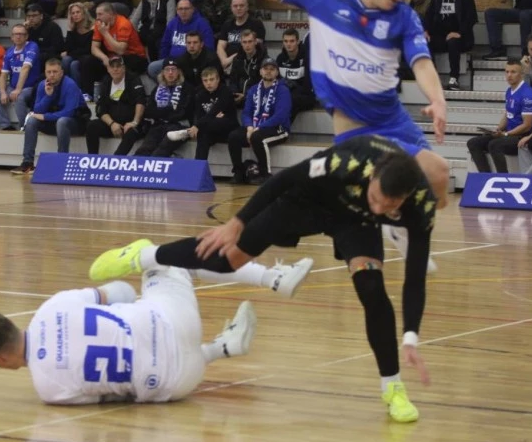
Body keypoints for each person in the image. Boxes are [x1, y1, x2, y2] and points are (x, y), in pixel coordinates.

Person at [89, 135, 436, 423]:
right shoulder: (346, 162)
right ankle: (144, 255)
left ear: (404, 198)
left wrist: (411, 336)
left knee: (372, 289)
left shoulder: (421, 205)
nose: (379, 208)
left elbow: (415, 275)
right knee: (228, 258)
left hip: (354, 223)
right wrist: (237, 222)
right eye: (375, 197)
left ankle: (393, 388)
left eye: (386, 206)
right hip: (308, 199)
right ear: (372, 176)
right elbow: (283, 180)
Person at [253, 0, 450, 209]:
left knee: (438, 181)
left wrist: (437, 100)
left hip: (394, 119)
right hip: (356, 130)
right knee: (416, 179)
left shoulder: (404, 17)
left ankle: (402, 223)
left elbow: (422, 64)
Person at [0, 268, 261, 405]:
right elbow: (124, 292)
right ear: (11, 324)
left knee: (138, 373)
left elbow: (116, 397)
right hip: (174, 319)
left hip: (178, 383)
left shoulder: (49, 391)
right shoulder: (51, 307)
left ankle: (220, 348)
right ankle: (268, 277)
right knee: (164, 260)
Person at [11, 58, 91, 174]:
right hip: (55, 122)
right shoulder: (42, 85)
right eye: (49, 72)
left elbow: (69, 112)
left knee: (62, 121)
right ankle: (27, 163)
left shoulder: (70, 85)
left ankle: (62, 161)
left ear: (61, 72)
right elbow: (37, 110)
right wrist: (48, 96)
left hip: (76, 123)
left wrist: (45, 117)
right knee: (32, 121)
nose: (52, 75)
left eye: (55, 72)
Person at [227, 57, 291, 184]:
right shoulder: (253, 90)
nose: (268, 72)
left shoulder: (283, 90)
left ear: (277, 72)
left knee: (257, 137)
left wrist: (259, 128)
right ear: (260, 71)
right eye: (265, 69)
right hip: (255, 127)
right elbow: (246, 112)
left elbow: (281, 115)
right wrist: (249, 127)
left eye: (272, 69)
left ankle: (265, 174)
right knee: (233, 136)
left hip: (278, 128)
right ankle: (239, 172)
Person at [467, 58, 532, 173]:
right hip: (508, 134)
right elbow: (507, 114)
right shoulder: (509, 90)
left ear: (521, 74)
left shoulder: (527, 94)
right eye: (507, 72)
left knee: (494, 145)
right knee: (473, 143)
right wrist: (499, 129)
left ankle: (502, 178)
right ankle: (485, 177)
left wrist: (505, 134)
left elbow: (527, 125)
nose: (509, 75)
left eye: (513, 72)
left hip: (523, 137)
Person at [85, 56, 146, 156]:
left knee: (132, 132)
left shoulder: (133, 79)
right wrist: (112, 123)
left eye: (118, 66)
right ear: (108, 69)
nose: (115, 69)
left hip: (130, 124)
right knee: (92, 126)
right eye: (112, 66)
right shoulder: (106, 81)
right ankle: (92, 158)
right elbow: (101, 109)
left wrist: (134, 122)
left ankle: (116, 159)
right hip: (113, 124)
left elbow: (141, 102)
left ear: (124, 68)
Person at [423, 0, 477, 91]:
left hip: (460, 37)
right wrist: (425, 30)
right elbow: (430, 14)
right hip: (441, 35)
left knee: (453, 41)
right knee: (424, 41)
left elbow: (471, 17)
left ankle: (454, 78)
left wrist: (460, 32)